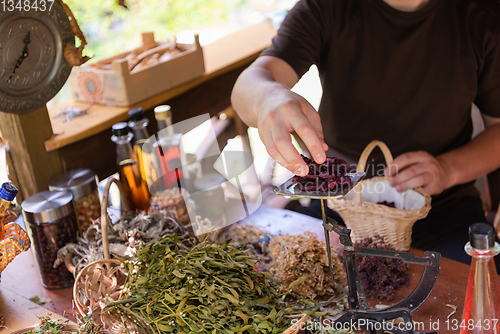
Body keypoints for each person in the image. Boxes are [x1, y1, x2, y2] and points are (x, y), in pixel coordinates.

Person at [231, 0, 500, 263]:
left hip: (441, 211)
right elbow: (251, 82)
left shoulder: (482, 17)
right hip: (339, 204)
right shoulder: (326, 8)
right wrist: (268, 97)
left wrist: (447, 169)